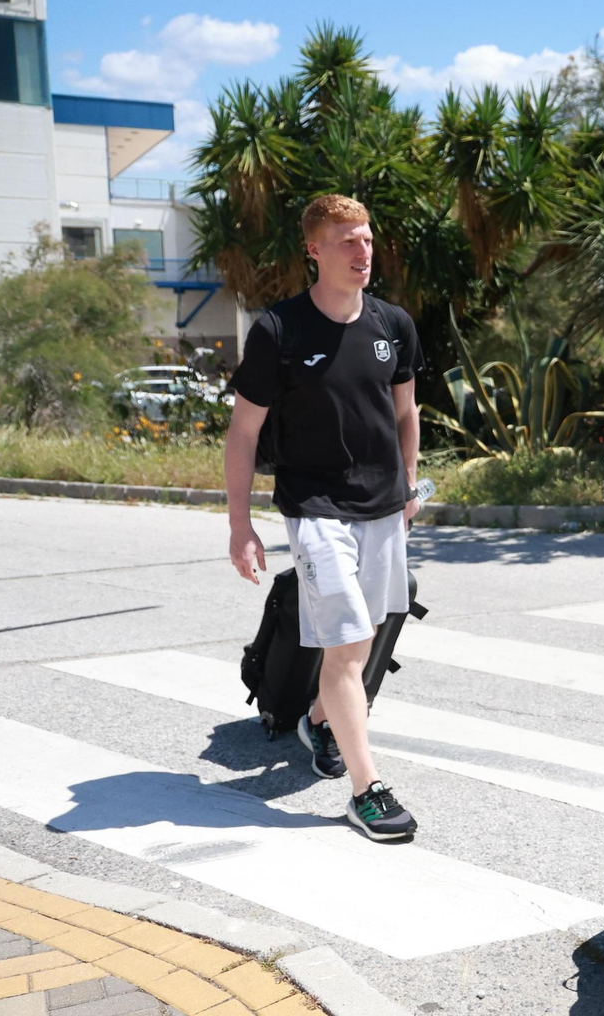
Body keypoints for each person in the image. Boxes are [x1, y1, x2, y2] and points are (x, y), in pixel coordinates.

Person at [224, 193, 423, 843]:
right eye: (346, 241)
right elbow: (243, 433)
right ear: (314, 249)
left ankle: (319, 717)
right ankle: (366, 790)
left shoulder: (393, 324)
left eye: (367, 238)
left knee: (360, 637)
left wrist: (409, 485)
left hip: (383, 508)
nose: (362, 251)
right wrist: (240, 524)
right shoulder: (278, 331)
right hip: (314, 509)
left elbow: (404, 413)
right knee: (350, 645)